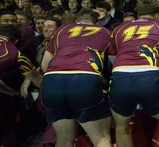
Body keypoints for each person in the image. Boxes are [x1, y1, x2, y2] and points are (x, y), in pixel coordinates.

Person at [109, 0, 159, 147]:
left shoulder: (118, 29)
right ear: (157, 14)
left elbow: (112, 59)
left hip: (120, 76)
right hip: (150, 76)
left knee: (122, 127)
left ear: (138, 13)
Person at [40, 8, 113, 147]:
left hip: (52, 81)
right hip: (85, 79)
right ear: (96, 22)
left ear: (77, 21)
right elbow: (113, 64)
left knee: (64, 138)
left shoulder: (62, 30)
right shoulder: (106, 32)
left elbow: (45, 65)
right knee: (101, 139)